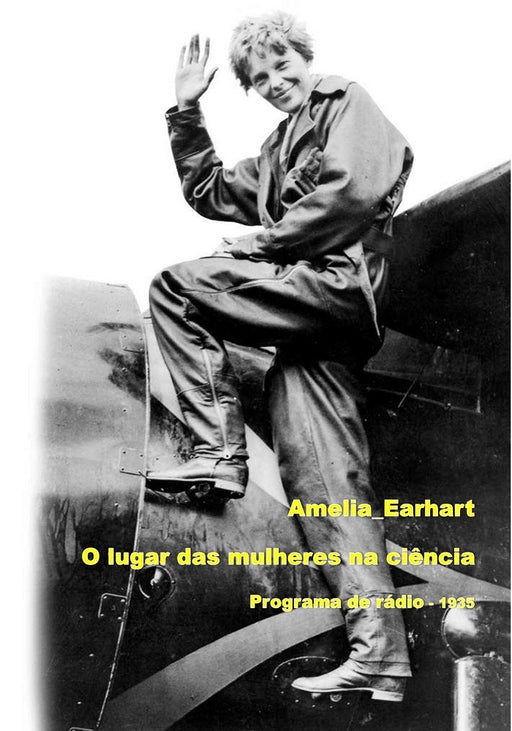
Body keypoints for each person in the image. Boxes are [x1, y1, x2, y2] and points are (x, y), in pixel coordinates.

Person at [148, 12, 413, 700]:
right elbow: (209, 190)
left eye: (282, 65)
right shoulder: (273, 151)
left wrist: (260, 243)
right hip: (307, 339)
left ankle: (216, 452)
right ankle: (380, 656)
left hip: (333, 287)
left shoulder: (345, 101)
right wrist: (186, 112)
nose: (274, 82)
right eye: (260, 78)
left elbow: (350, 193)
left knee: (176, 288)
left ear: (305, 56)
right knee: (325, 486)